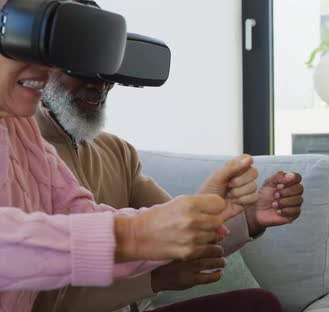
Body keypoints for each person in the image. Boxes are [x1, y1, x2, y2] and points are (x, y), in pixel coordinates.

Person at [0, 2, 270, 312]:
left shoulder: (21, 131)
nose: (46, 67)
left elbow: (81, 216)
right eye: (33, 40)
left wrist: (201, 211)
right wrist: (131, 237)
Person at [30, 63, 303, 311]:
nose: (99, 85)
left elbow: (183, 232)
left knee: (257, 306)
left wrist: (253, 216)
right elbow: (39, 298)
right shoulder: (18, 157)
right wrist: (154, 279)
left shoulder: (117, 151)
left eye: (107, 72)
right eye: (80, 69)